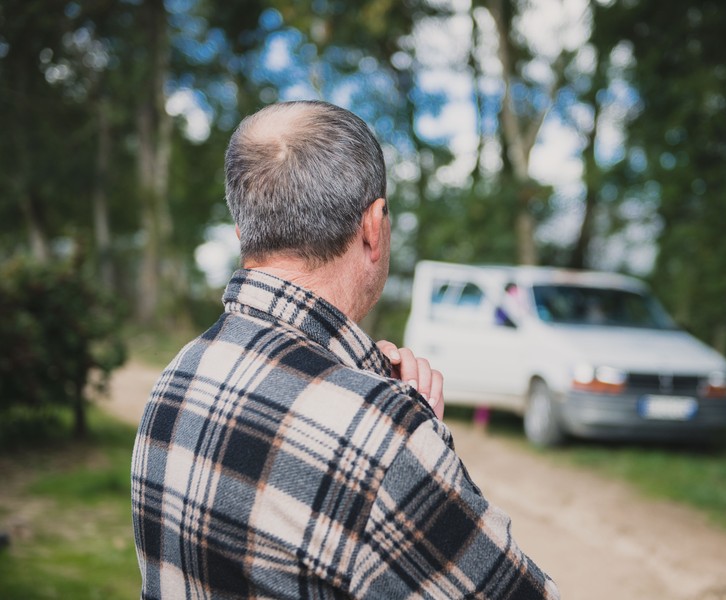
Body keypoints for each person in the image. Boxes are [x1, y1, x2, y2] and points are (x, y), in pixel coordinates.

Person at [131, 100, 560, 600]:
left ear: (242, 233)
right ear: (374, 227)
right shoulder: (385, 438)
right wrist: (417, 439)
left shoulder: (174, 378)